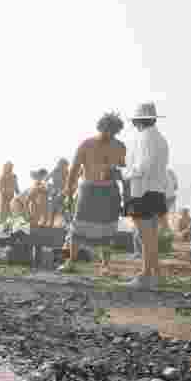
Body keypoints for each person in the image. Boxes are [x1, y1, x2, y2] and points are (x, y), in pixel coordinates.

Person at [59, 112, 127, 273]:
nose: (109, 135)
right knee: (77, 227)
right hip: (88, 190)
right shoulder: (86, 144)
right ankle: (69, 262)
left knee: (108, 229)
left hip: (110, 191)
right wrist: (68, 193)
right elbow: (74, 170)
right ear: (100, 127)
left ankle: (105, 266)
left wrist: (125, 192)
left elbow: (125, 172)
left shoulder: (120, 146)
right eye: (107, 131)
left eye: (113, 132)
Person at [123, 102, 170, 288]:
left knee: (146, 237)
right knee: (150, 237)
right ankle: (155, 274)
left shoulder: (145, 137)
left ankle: (146, 275)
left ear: (138, 121)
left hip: (142, 191)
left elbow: (143, 166)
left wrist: (124, 174)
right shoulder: (161, 139)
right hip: (157, 190)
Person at [47, 158, 69, 227]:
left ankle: (67, 221)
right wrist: (50, 186)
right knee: (55, 206)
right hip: (55, 191)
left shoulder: (66, 172)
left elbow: (68, 182)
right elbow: (46, 178)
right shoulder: (55, 170)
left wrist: (63, 190)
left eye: (65, 166)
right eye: (62, 165)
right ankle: (52, 222)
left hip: (62, 192)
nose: (64, 167)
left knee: (59, 206)